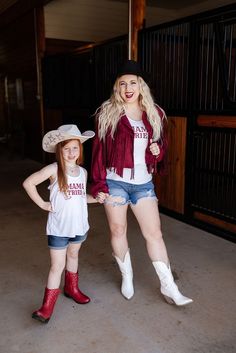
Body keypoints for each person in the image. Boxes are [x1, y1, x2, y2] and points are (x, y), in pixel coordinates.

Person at [90, 60, 193, 306]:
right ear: (117, 87)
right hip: (115, 182)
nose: (128, 87)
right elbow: (98, 152)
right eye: (123, 83)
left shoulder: (154, 113)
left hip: (143, 183)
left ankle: (170, 287)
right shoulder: (108, 113)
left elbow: (160, 148)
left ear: (140, 86)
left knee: (154, 233)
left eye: (132, 83)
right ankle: (127, 277)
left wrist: (157, 151)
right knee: (118, 230)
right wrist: (98, 185)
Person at [23, 124, 96, 323]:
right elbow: (28, 183)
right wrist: (42, 204)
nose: (71, 152)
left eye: (75, 147)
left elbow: (81, 197)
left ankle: (71, 288)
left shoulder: (82, 172)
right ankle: (46, 308)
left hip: (79, 225)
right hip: (59, 227)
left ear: (80, 149)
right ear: (59, 150)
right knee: (57, 265)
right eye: (66, 148)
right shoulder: (53, 169)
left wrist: (98, 198)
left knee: (73, 255)